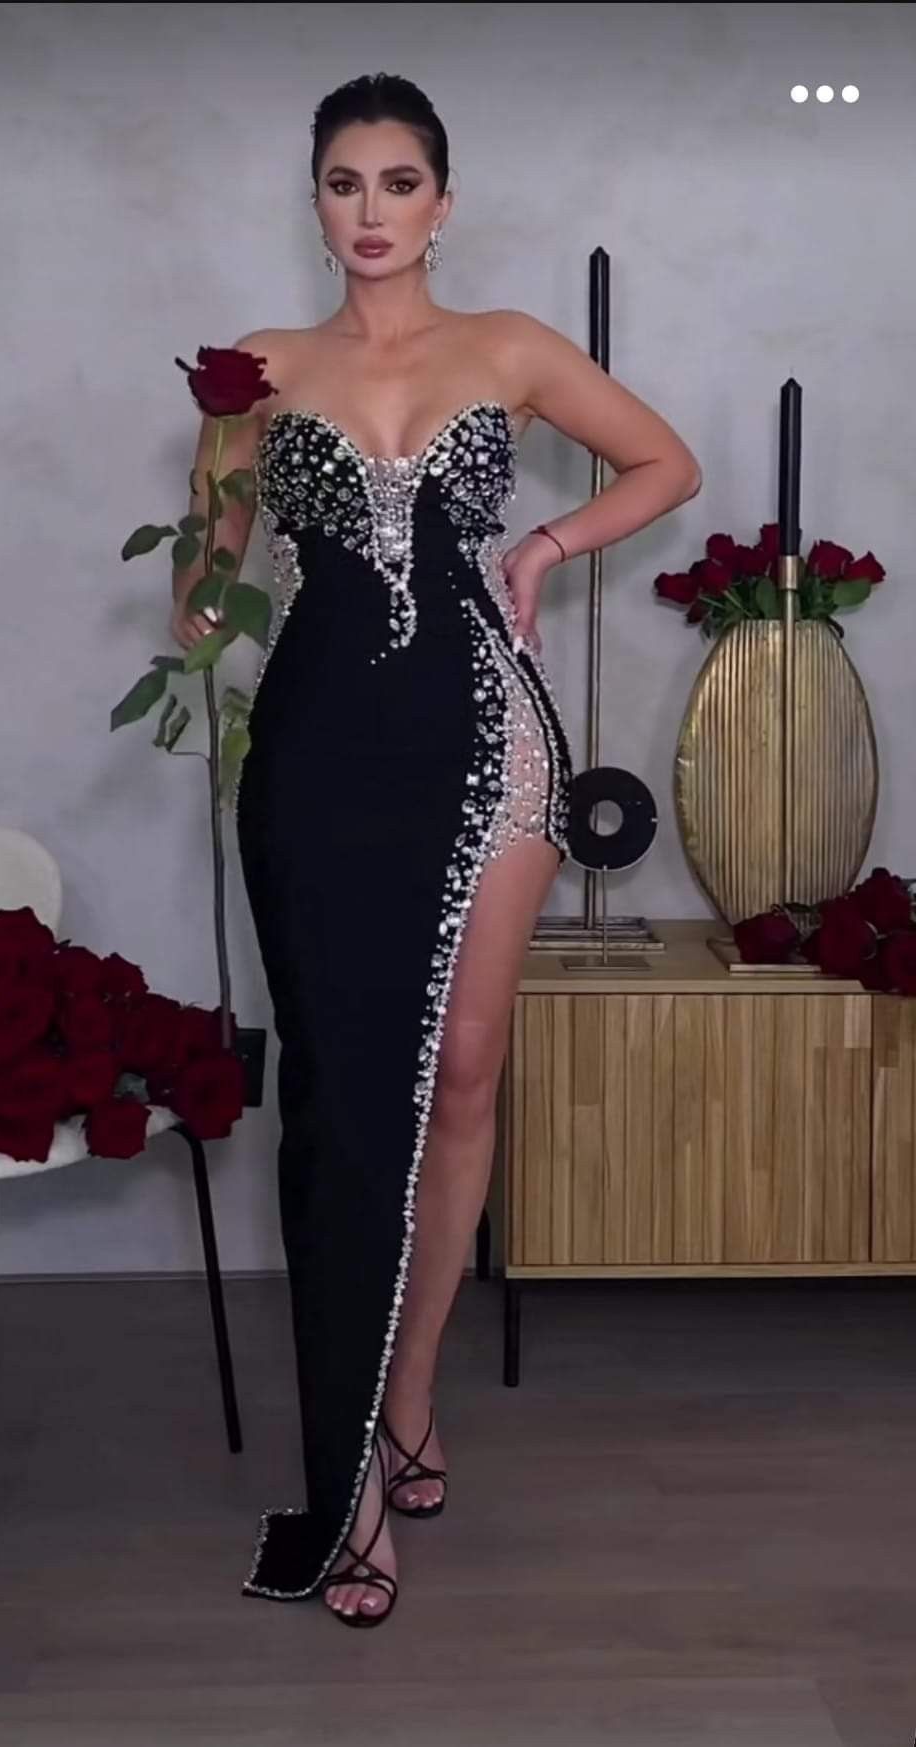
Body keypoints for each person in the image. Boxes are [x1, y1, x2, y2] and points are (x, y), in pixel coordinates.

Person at [171, 72, 702, 1627]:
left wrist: (543, 543)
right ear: (316, 201)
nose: (373, 211)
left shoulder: (512, 348)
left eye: (399, 183)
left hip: (490, 740)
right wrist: (197, 568)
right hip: (317, 752)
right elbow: (205, 587)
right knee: (344, 1095)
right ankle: (348, 1478)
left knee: (464, 1071)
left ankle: (408, 1395)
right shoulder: (257, 371)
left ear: (442, 203)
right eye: (346, 183)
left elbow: (667, 465)